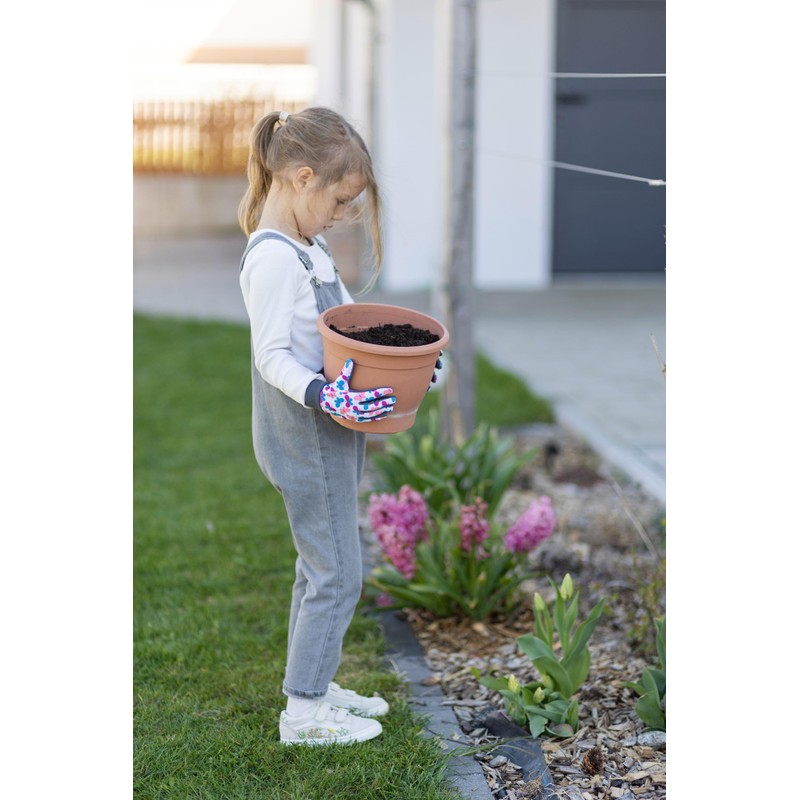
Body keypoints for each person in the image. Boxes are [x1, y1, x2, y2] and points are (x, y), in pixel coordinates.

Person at [237, 107, 395, 746]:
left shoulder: (310, 245)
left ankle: (314, 681)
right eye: (338, 200)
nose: (341, 215)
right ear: (302, 178)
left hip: (330, 428)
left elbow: (345, 320)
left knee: (319, 564)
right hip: (306, 433)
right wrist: (326, 396)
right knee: (338, 574)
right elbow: (271, 355)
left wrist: (400, 356)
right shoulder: (274, 259)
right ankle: (302, 716)